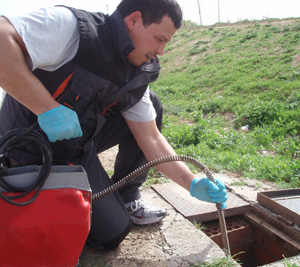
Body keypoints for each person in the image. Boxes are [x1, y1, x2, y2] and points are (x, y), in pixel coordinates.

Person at [0, 0, 227, 250]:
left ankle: (126, 197)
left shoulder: (138, 71)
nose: (162, 50)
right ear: (134, 20)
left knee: (112, 233)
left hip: (77, 146)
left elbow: (150, 137)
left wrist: (191, 182)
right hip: (27, 147)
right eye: (160, 39)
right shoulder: (75, 30)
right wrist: (46, 107)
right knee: (42, 235)